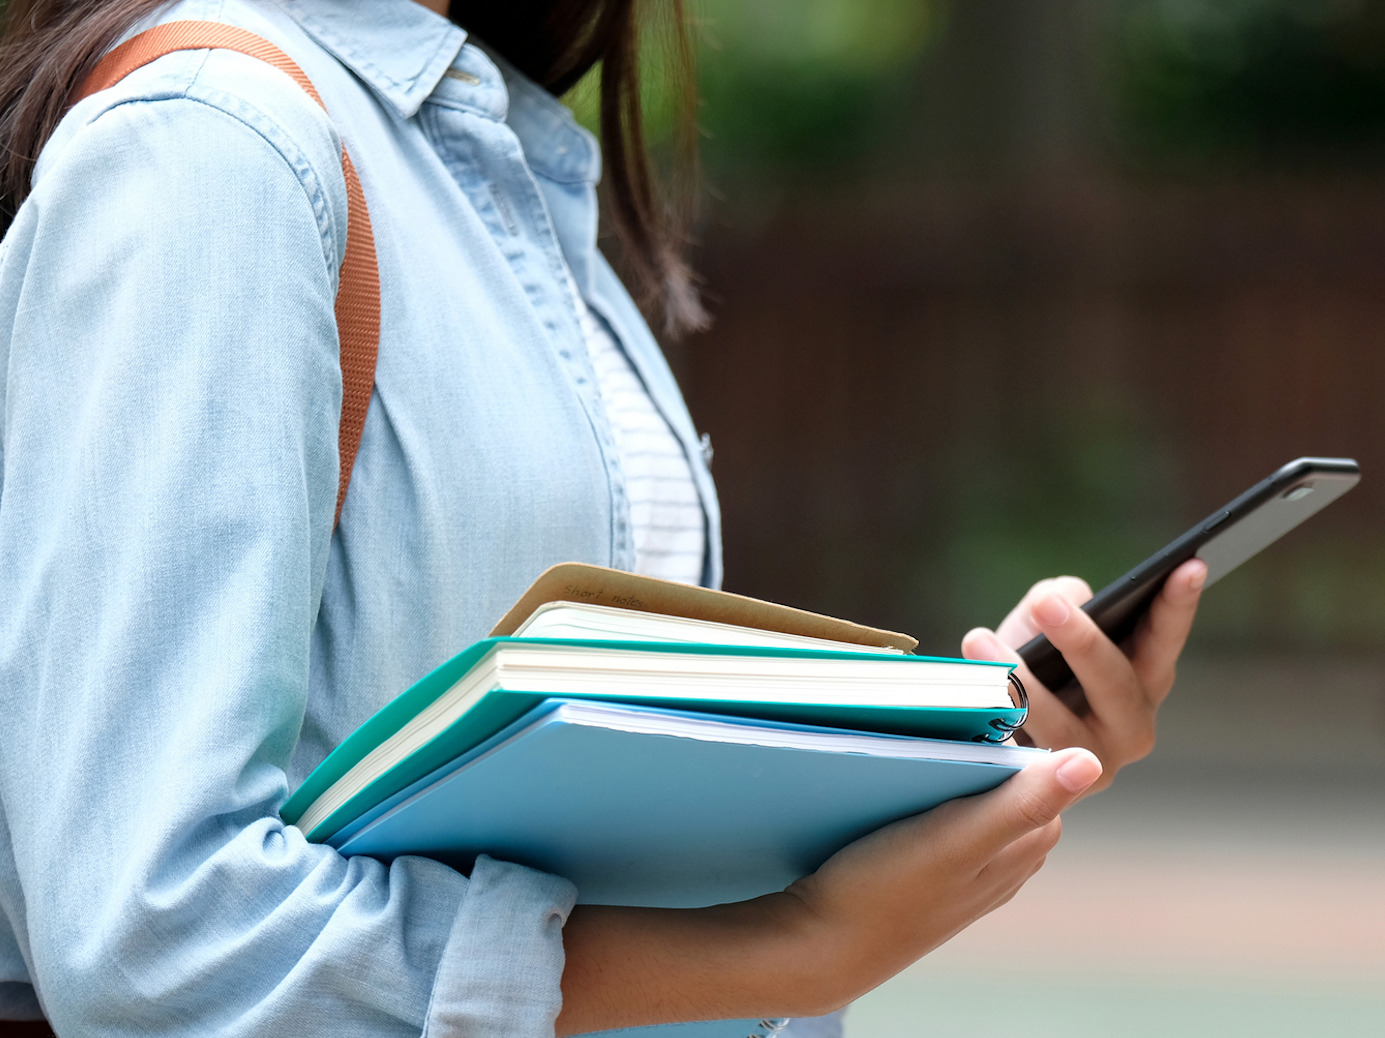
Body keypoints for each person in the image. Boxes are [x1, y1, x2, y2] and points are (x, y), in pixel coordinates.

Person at [0, 0, 1206, 1034]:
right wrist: (792, 945)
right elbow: (157, 938)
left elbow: (602, 822)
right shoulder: (215, 147)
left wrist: (954, 760)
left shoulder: (491, 156)